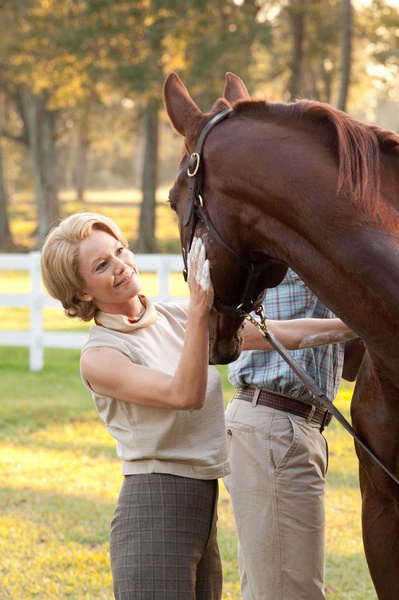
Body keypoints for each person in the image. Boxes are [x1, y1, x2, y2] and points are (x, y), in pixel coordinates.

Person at [40, 213, 357, 600]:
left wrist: (365, 324)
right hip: (154, 505)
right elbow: (184, 395)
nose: (122, 266)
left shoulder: (173, 317)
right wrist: (198, 310)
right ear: (82, 292)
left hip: (203, 503)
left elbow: (285, 334)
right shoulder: (101, 355)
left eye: (120, 250)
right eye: (102, 265)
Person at [224, 268, 365, 600]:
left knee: (274, 586)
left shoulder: (331, 254)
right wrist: (368, 321)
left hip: (294, 425)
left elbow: (349, 368)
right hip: (276, 421)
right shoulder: (283, 246)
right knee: (289, 591)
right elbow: (232, 326)